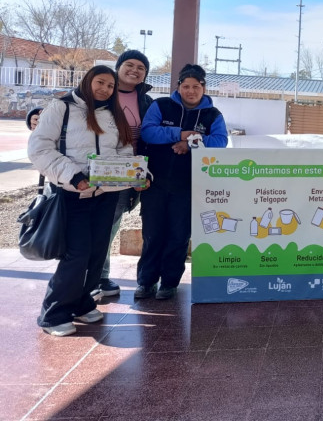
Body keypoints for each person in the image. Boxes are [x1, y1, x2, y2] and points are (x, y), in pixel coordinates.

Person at [28, 65, 134, 336]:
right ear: (88, 81)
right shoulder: (61, 107)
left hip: (105, 195)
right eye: (100, 82)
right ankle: (53, 313)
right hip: (72, 194)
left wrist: (135, 174)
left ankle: (82, 302)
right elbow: (39, 148)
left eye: (110, 86)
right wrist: (72, 176)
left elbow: (124, 150)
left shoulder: (113, 114)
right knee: (76, 254)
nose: (105, 89)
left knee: (97, 253)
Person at [136, 64, 228, 300]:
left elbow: (220, 142)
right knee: (152, 234)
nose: (190, 91)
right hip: (155, 184)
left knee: (178, 236)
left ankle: (169, 282)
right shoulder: (161, 106)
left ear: (203, 88)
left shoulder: (213, 115)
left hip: (189, 186)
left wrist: (191, 144)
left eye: (196, 87)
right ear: (178, 87)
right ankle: (146, 282)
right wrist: (179, 134)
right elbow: (148, 133)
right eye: (185, 86)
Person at [97, 50, 154, 298]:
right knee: (98, 223)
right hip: (100, 167)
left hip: (131, 170)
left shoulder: (147, 101)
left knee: (112, 223)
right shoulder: (103, 93)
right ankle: (94, 276)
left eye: (141, 67)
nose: (135, 70)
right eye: (129, 65)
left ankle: (100, 275)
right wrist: (35, 116)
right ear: (118, 67)